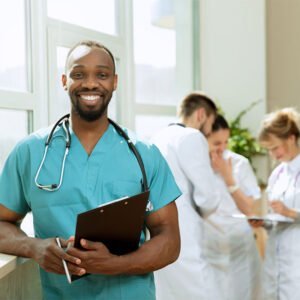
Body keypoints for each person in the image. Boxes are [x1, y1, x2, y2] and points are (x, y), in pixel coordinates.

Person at [0, 40, 182, 300]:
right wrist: (34, 247)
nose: (90, 83)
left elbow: (170, 240)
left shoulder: (144, 154)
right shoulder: (30, 153)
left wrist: (115, 264)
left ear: (115, 82)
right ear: (64, 81)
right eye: (78, 74)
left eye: (102, 74)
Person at [151, 92, 221, 300]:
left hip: (158, 230)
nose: (210, 130)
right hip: (186, 231)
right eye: (211, 122)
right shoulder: (192, 136)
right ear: (201, 114)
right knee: (201, 291)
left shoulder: (156, 137)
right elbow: (207, 198)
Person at [204, 114, 261, 300]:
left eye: (225, 142)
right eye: (216, 143)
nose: (222, 148)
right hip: (209, 249)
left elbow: (249, 209)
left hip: (240, 247)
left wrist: (229, 178)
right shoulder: (197, 166)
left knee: (244, 293)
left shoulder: (239, 164)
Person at [257, 107, 300, 300]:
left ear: (291, 138)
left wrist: (291, 213)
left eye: (275, 148)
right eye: (269, 150)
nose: (273, 155)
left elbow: (289, 214)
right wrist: (262, 222)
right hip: (276, 259)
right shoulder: (277, 174)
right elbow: (274, 218)